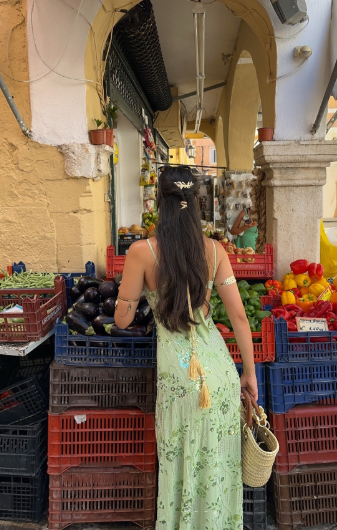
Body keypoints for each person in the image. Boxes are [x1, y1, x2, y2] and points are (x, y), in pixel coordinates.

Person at [114, 165, 258, 530]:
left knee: (181, 470)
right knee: (217, 471)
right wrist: (249, 374)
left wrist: (126, 299)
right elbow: (239, 318)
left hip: (179, 377)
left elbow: (122, 320)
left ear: (159, 202)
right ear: (195, 203)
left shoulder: (142, 252)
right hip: (220, 376)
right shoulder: (215, 250)